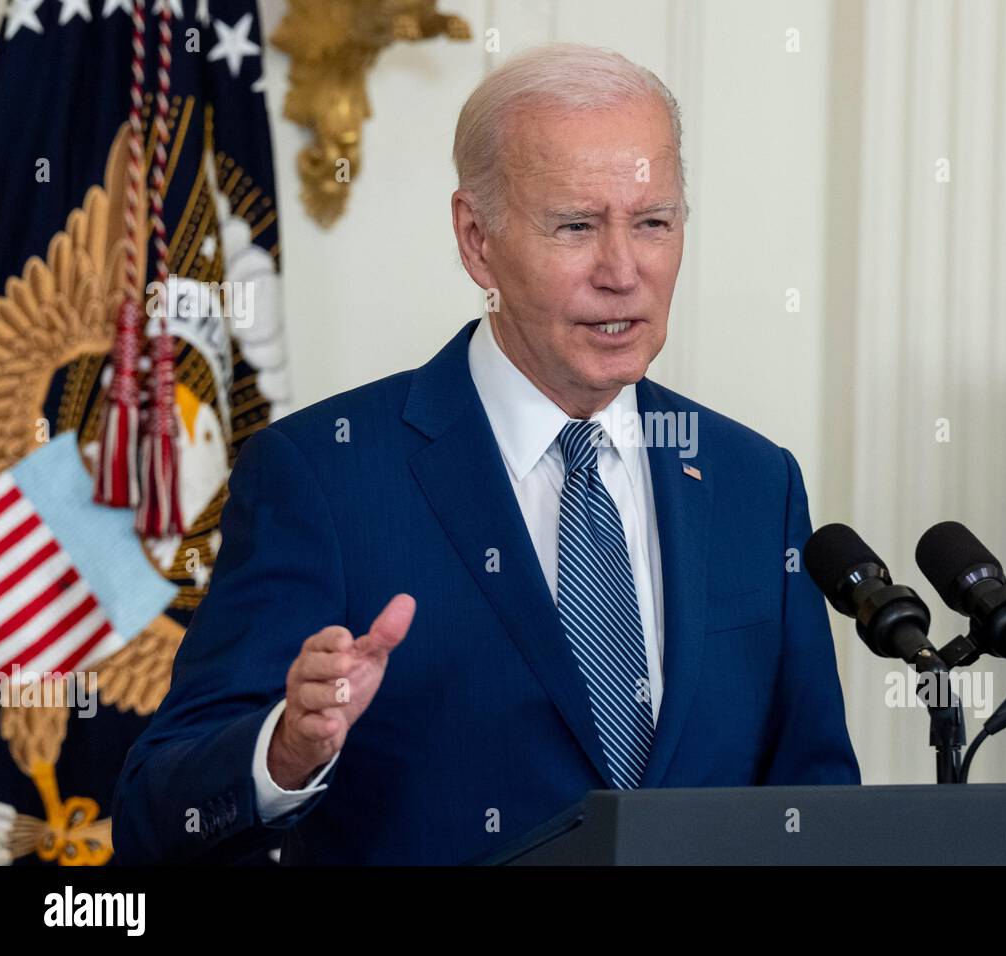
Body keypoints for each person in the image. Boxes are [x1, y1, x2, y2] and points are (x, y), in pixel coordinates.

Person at [113, 42, 859, 865]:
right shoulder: (324, 476)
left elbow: (817, 801)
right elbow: (156, 811)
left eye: (652, 223)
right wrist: (286, 750)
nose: (623, 272)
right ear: (476, 240)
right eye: (576, 226)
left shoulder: (755, 482)